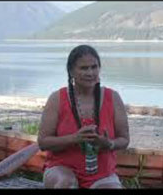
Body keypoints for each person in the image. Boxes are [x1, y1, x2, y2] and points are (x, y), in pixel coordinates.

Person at [37, 44, 130, 189]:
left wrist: (108, 144)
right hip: (61, 170)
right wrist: (74, 138)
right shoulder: (57, 99)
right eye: (83, 68)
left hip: (102, 175)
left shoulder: (113, 97)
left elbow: (124, 140)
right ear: (71, 71)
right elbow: (43, 143)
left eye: (94, 67)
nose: (90, 73)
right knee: (66, 184)